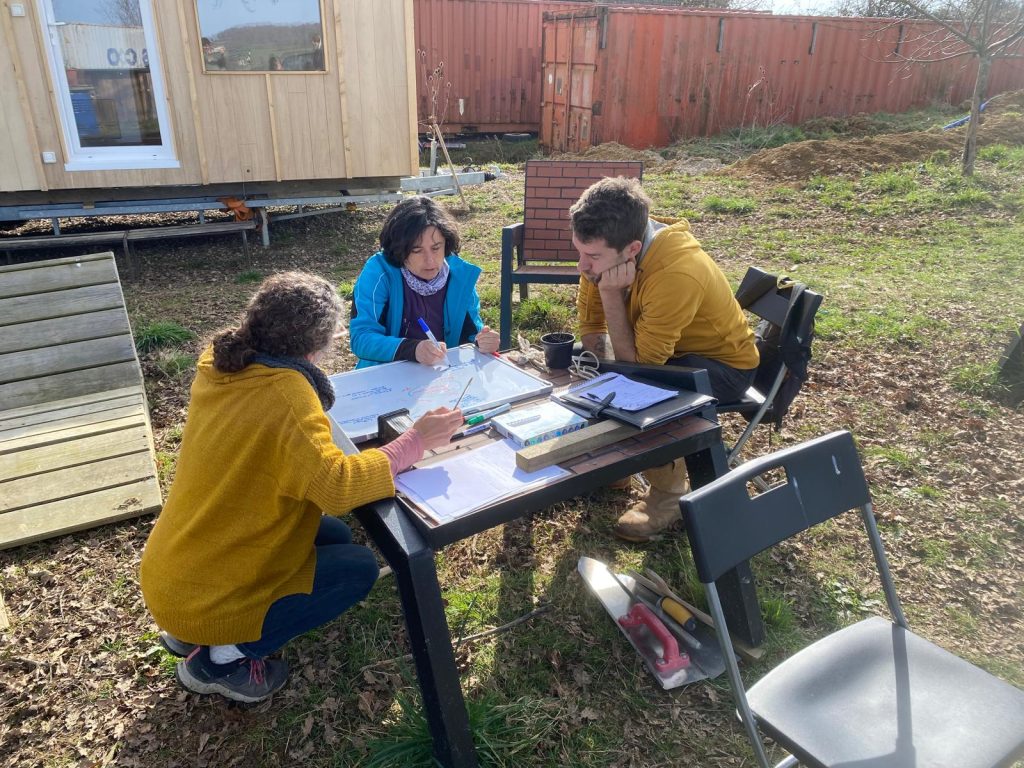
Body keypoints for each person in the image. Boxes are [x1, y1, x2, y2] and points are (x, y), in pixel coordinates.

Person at [139, 272, 463, 703]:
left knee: (332, 534)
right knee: (357, 568)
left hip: (176, 570)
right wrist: (415, 442)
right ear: (318, 345)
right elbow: (337, 488)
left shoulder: (221, 362)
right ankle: (221, 658)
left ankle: (190, 631)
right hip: (204, 591)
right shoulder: (287, 392)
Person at [570, 176, 759, 542]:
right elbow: (591, 325)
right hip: (664, 353)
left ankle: (668, 498)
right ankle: (620, 462)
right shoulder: (604, 250)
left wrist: (611, 296)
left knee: (646, 393)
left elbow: (642, 370)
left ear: (632, 248)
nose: (582, 265)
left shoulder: (677, 271)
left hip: (723, 367)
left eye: (591, 256)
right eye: (579, 250)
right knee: (589, 369)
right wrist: (597, 374)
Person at [349, 196, 500, 368]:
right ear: (399, 249)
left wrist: (483, 340)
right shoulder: (379, 272)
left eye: (436, 248)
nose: (430, 261)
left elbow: (472, 330)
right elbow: (361, 337)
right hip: (383, 378)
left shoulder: (459, 276)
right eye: (416, 250)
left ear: (446, 244)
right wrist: (412, 349)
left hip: (440, 378)